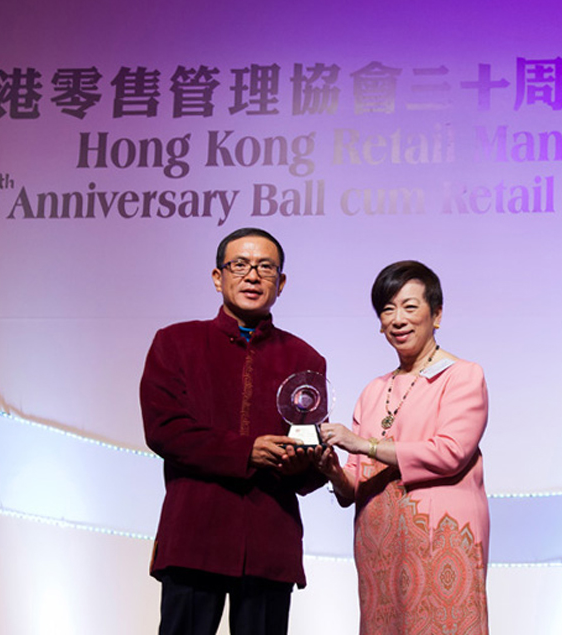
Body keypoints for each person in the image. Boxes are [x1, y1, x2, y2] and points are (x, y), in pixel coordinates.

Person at [140, 227, 327, 635]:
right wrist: (246, 452)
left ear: (281, 283)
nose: (252, 276)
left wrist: (304, 463)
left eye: (266, 267)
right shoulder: (175, 342)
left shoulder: (305, 358)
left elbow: (309, 450)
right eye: (240, 265)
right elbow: (164, 429)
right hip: (194, 536)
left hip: (269, 541)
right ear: (218, 277)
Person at [317, 260, 490, 635]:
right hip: (380, 548)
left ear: (436, 314)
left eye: (410, 307)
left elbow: (450, 453)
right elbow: (354, 486)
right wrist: (333, 471)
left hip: (438, 539)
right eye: (387, 310)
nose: (398, 320)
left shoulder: (463, 375)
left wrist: (363, 444)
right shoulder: (373, 390)